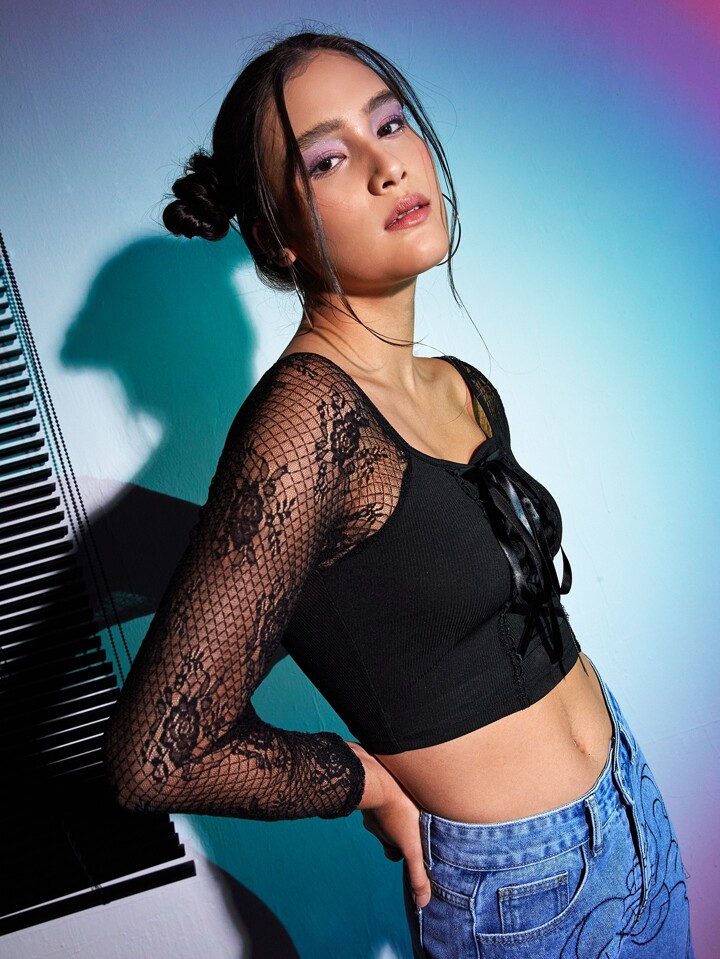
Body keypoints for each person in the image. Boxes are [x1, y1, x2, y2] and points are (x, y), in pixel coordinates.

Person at [103, 31, 694, 958]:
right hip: (522, 894)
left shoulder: (459, 386)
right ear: (279, 236)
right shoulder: (306, 421)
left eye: (389, 123)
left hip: (631, 813)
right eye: (329, 159)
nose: (389, 165)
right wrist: (364, 782)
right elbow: (156, 755)